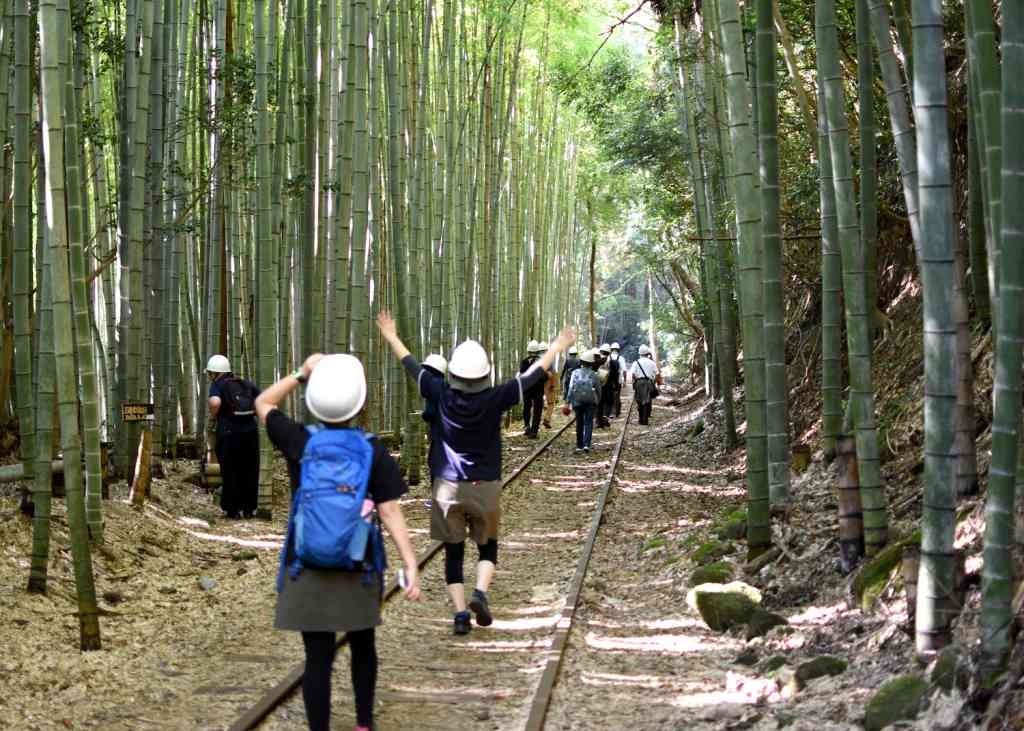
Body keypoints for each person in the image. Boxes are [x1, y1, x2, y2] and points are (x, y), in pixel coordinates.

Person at [376, 311, 575, 635]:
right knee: (487, 547)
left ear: (453, 372)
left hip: (446, 487)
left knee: (453, 553)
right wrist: (556, 346)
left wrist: (391, 336)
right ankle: (480, 593)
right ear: (484, 374)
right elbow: (532, 376)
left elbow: (412, 366)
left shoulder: (439, 392)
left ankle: (458, 614)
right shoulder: (495, 397)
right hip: (485, 485)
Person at [254, 353, 421, 731]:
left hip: (306, 562)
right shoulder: (372, 450)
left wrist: (301, 371)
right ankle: (364, 724)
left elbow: (263, 402)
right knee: (363, 647)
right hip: (358, 564)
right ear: (360, 403)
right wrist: (409, 562)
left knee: (317, 658)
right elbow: (391, 512)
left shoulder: (299, 440)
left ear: (314, 398)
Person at [206, 354, 261, 519]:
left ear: (216, 373)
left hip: (229, 433)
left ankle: (233, 510)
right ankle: (249, 509)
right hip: (250, 432)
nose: (210, 376)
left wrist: (213, 416)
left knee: (231, 470)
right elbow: (263, 400)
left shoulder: (218, 385)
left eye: (210, 373)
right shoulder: (245, 383)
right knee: (249, 470)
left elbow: (215, 403)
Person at [566, 349, 601, 453]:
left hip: (577, 401)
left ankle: (579, 445)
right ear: (591, 363)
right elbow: (598, 389)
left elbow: (571, 387)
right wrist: (597, 400)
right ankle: (586, 445)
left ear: (581, 362)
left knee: (579, 422)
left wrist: (568, 401)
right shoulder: (594, 374)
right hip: (590, 401)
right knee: (589, 422)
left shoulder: (575, 373)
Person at [519, 340, 545, 438]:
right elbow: (545, 377)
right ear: (538, 352)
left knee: (528, 408)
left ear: (528, 351)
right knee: (536, 410)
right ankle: (533, 430)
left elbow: (522, 374)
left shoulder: (524, 361)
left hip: (528, 389)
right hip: (537, 390)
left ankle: (528, 427)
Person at [630, 344, 661, 426]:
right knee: (647, 401)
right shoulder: (652, 363)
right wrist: (656, 382)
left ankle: (640, 419)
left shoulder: (636, 363)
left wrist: (635, 381)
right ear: (648, 353)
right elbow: (657, 374)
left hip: (639, 383)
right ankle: (645, 419)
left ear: (639, 354)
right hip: (649, 382)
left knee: (639, 400)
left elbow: (632, 374)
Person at [539, 342, 560, 429]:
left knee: (538, 403)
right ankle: (547, 419)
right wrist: (553, 384)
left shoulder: (536, 359)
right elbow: (552, 373)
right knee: (551, 403)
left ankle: (535, 422)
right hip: (548, 382)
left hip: (537, 383)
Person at [595, 344, 612, 429]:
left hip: (596, 384)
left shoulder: (596, 359)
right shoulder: (609, 361)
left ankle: (598, 421)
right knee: (603, 403)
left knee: (598, 403)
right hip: (605, 384)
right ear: (609, 352)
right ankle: (602, 420)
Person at [609, 342, 624, 418]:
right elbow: (624, 371)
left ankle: (610, 412)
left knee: (609, 395)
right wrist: (623, 381)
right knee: (617, 395)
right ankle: (617, 412)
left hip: (609, 380)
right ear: (618, 350)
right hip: (618, 380)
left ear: (611, 349)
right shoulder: (621, 358)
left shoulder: (608, 357)